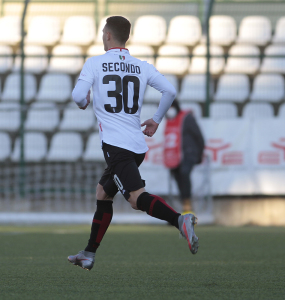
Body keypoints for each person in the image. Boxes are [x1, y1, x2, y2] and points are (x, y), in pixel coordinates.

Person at [68, 16, 199, 271]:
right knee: (103, 193)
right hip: (136, 145)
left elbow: (77, 97)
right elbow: (170, 91)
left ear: (107, 35)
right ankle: (88, 253)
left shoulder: (94, 64)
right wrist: (156, 120)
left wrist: (84, 101)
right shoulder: (141, 66)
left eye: (103, 32)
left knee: (135, 199)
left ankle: (179, 220)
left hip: (116, 147)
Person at [164, 100, 205, 214]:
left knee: (184, 173)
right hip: (174, 157)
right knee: (178, 179)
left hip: (188, 154)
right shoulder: (170, 120)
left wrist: (199, 154)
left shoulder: (187, 118)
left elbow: (199, 136)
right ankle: (185, 205)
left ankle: (187, 205)